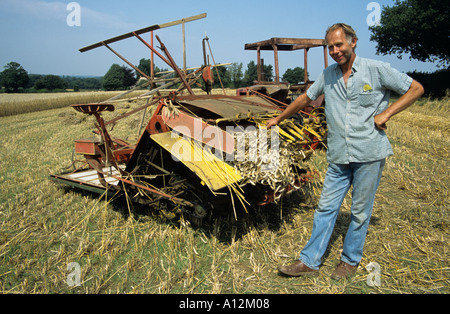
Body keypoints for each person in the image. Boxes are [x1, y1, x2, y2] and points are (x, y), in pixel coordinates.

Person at [266, 23, 424, 280]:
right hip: (339, 156)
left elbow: (416, 88)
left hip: (369, 153)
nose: (336, 51)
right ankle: (309, 261)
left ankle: (349, 261)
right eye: (331, 47)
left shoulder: (376, 70)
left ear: (353, 42)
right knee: (325, 208)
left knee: (360, 212)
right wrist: (280, 118)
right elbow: (305, 99)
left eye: (339, 44)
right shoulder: (328, 75)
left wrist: (387, 113)